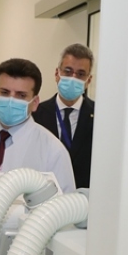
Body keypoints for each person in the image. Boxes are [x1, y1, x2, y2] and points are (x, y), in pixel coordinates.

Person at [0, 59, 75, 202]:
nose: (11, 100)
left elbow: (65, 207)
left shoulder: (53, 151)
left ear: (35, 103)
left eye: (21, 95)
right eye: (4, 92)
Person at [32, 43, 96, 188]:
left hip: (85, 197)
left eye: (80, 74)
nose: (73, 77)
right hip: (44, 194)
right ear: (57, 74)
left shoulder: (100, 116)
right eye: (68, 71)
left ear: (88, 80)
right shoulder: (36, 114)